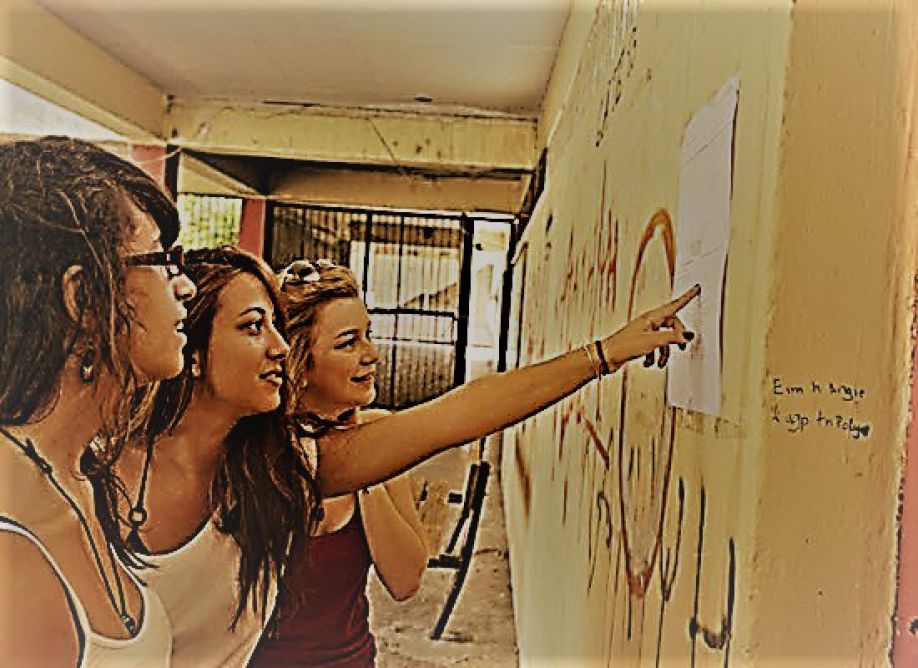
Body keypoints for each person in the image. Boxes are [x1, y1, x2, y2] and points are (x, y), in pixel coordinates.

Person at [113, 245, 698, 667]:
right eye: (252, 327)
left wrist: (605, 353)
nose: (278, 347)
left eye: (277, 328)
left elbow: (460, 413)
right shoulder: (100, 467)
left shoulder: (286, 466)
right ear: (190, 350)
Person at [0, 136, 196, 665]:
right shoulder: (9, 545)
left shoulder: (81, 473)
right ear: (84, 297)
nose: (186, 287)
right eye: (164, 261)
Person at [250, 260, 427, 667]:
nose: (372, 355)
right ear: (300, 362)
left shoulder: (383, 435)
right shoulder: (250, 450)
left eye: (368, 336)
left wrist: (360, 462)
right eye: (349, 343)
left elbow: (405, 580)